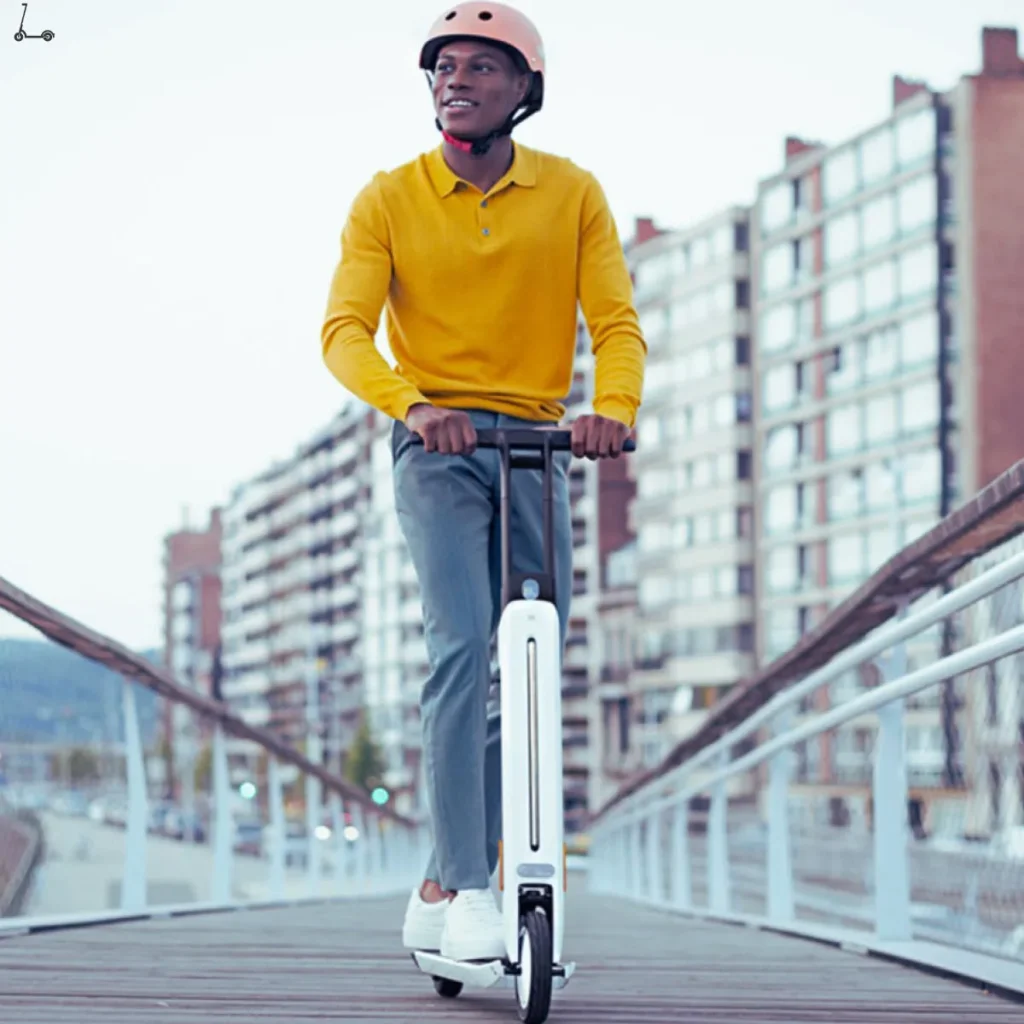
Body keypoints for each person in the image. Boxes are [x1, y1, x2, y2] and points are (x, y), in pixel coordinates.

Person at [321, 1, 646, 962]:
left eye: (478, 67)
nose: (454, 80)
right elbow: (344, 331)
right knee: (463, 647)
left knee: (533, 665)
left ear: (524, 90)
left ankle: (438, 867)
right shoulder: (388, 198)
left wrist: (613, 410)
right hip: (441, 448)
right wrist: (414, 406)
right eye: (441, 67)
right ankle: (469, 885)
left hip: (541, 448)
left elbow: (615, 324)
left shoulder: (572, 192)